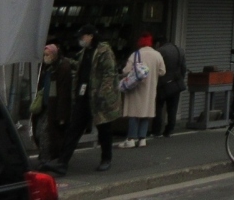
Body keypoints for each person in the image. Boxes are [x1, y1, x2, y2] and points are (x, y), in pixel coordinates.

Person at [42, 25, 121, 175]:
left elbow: (109, 74)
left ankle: (106, 159)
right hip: (83, 97)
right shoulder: (84, 52)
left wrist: (102, 94)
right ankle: (62, 163)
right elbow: (80, 68)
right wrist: (64, 60)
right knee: (74, 129)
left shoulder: (104, 51)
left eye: (82, 36)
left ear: (91, 36)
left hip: (98, 99)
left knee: (104, 129)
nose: (80, 39)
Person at [119, 32, 166, 148]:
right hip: (150, 89)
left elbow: (126, 71)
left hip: (136, 88)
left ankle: (131, 139)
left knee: (133, 113)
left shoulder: (135, 54)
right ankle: (142, 139)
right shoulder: (157, 55)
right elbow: (162, 71)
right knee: (146, 112)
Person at [30, 43, 73, 162]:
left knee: (47, 133)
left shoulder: (62, 68)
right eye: (44, 55)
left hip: (54, 108)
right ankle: (46, 156)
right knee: (39, 131)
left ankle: (48, 158)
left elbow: (64, 94)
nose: (45, 57)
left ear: (54, 55)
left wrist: (62, 115)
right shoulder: (47, 68)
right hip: (45, 105)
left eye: (47, 55)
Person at [154, 35, 187, 137]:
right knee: (172, 108)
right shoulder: (180, 50)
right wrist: (180, 78)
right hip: (176, 84)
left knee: (158, 108)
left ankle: (156, 130)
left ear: (158, 43)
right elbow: (184, 68)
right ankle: (169, 129)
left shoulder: (159, 52)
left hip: (162, 84)